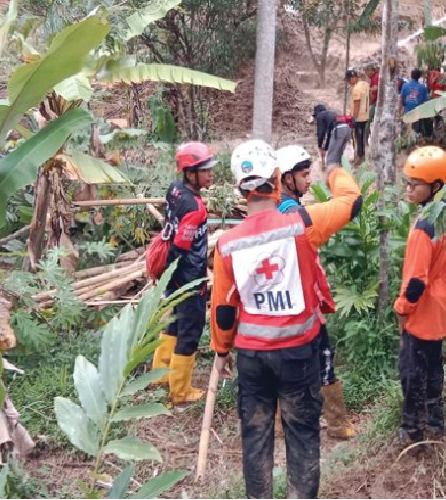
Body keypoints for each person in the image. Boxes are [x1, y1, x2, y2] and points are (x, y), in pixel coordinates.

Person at [209, 140, 362, 499]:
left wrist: (221, 350)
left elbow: (224, 309)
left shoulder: (228, 243)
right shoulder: (303, 224)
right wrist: (336, 166)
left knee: (256, 438)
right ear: (277, 180)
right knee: (302, 435)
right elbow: (352, 201)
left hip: (251, 358)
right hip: (297, 354)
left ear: (239, 190)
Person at [277, 145, 356, 439]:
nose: (309, 180)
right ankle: (337, 424)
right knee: (323, 358)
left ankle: (280, 424)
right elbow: (352, 202)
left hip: (280, 306)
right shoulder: (300, 217)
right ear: (287, 179)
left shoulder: (270, 210)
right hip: (305, 304)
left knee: (284, 364)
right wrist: (334, 164)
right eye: (304, 174)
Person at [395, 146, 446, 443]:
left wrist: (401, 309)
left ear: (435, 186)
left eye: (415, 184)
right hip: (442, 308)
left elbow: (415, 283)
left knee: (412, 372)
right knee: (434, 365)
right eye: (408, 183)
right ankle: (436, 424)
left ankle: (412, 429)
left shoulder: (424, 227)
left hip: (422, 312)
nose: (409, 189)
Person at [150, 142, 216, 404]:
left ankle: (159, 375)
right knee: (190, 329)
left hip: (172, 272)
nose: (211, 174)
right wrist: (188, 281)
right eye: (205, 170)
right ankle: (180, 390)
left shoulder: (175, 190)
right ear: (190, 172)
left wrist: (170, 277)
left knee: (174, 322)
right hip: (188, 275)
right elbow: (181, 246)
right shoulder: (195, 208)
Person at [312, 103, 352, 168]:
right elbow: (330, 135)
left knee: (331, 159)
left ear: (317, 112)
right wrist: (325, 148)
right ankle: (341, 172)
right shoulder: (331, 114)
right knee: (338, 155)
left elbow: (321, 133)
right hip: (348, 129)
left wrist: (320, 146)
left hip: (339, 130)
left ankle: (330, 174)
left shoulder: (320, 115)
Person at [346, 69, 371, 164]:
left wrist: (354, 118)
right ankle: (362, 155)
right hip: (365, 116)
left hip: (358, 117)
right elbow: (370, 97)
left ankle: (359, 157)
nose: (349, 83)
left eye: (349, 80)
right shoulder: (365, 84)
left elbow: (357, 104)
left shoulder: (356, 89)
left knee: (357, 138)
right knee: (362, 137)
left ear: (353, 78)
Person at [400, 69, 431, 139]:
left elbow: (401, 99)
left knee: (407, 131)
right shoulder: (422, 87)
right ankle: (415, 143)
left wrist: (400, 110)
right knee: (417, 131)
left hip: (407, 111)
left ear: (411, 76)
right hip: (418, 113)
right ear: (419, 77)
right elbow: (425, 101)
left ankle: (407, 143)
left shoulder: (405, 86)